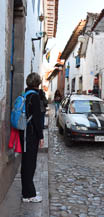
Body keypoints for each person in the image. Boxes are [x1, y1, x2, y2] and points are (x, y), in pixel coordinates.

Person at [19, 72, 44, 203]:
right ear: (37, 83)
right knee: (30, 163)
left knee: (26, 163)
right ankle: (29, 195)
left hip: (24, 133)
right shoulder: (34, 96)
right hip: (30, 134)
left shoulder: (25, 94)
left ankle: (27, 191)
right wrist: (41, 136)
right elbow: (37, 119)